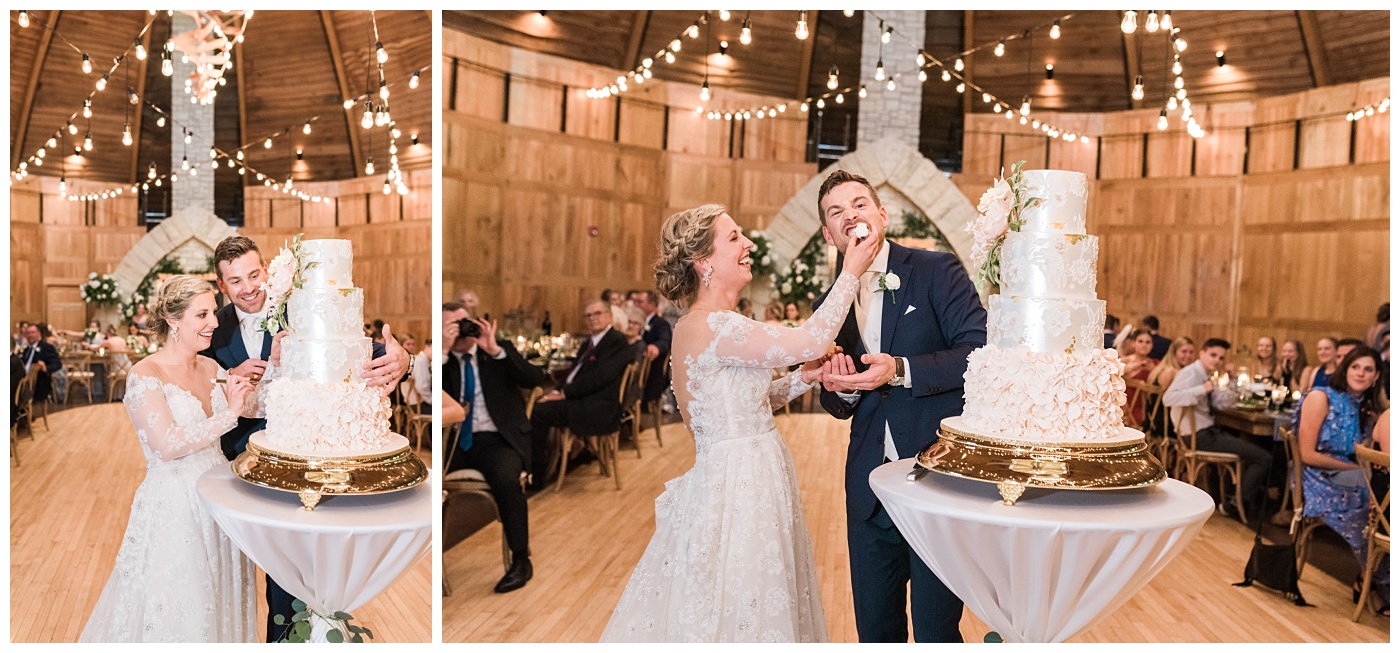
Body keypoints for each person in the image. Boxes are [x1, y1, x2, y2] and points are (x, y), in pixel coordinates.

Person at [601, 202, 879, 642]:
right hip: (739, 487)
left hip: (751, 471)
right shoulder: (713, 326)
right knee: (743, 599)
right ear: (704, 262)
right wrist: (850, 272)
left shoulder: (711, 326)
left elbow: (750, 404)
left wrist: (803, 379)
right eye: (734, 238)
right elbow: (811, 338)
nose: (749, 244)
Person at [808, 170, 986, 642]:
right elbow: (836, 398)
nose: (850, 215)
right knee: (875, 632)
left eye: (859, 204)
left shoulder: (936, 270)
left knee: (934, 631)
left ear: (881, 215)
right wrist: (843, 387)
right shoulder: (831, 300)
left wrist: (901, 368)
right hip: (868, 493)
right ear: (829, 234)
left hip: (936, 482)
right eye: (836, 212)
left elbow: (979, 350)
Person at [200, 235, 407, 640]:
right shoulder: (211, 326)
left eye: (255, 274)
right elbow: (191, 383)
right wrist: (229, 380)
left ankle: (287, 639)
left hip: (301, 461)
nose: (249, 287)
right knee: (229, 572)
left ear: (267, 270)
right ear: (222, 286)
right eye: (236, 281)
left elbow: (359, 347)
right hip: (232, 461)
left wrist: (407, 359)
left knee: (289, 565)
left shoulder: (298, 303)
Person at [79, 276, 258, 642]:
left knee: (219, 596)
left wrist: (266, 375)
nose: (214, 322)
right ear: (174, 321)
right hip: (175, 506)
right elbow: (167, 444)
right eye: (202, 314)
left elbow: (249, 404)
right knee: (181, 605)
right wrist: (230, 414)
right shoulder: (145, 374)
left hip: (220, 501)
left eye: (213, 312)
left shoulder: (210, 368)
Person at [441, 302, 545, 593]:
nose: (462, 331)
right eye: (452, 326)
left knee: (505, 480)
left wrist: (495, 350)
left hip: (497, 439)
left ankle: (521, 559)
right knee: (423, 482)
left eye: (465, 323)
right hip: (452, 442)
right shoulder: (441, 361)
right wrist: (444, 351)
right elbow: (426, 396)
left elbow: (535, 378)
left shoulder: (498, 350)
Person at [1296, 345, 1388, 614]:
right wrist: (1355, 468)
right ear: (1345, 368)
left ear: (1375, 376)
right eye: (1355, 366)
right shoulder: (1320, 397)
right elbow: (1307, 454)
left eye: (1368, 369)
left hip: (1351, 477)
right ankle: (1373, 583)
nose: (1360, 373)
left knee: (1382, 503)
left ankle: (1374, 578)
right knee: (1370, 511)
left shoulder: (1368, 408)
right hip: (1317, 479)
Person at [1162, 338, 1272, 520]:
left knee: (1250, 449)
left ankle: (1234, 498)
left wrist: (1233, 380)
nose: (1217, 361)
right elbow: (1169, 398)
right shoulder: (1191, 373)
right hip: (1198, 436)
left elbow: (1223, 403)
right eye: (1213, 355)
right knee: (1264, 457)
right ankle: (1237, 504)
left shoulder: (1205, 374)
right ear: (1202, 353)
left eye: (1221, 358)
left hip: (1205, 432)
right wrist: (1201, 389)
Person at [530, 299, 632, 483]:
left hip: (599, 407)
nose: (592, 318)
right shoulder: (589, 343)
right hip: (585, 400)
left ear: (609, 316)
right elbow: (574, 374)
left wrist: (564, 394)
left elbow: (601, 377)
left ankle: (538, 473)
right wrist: (557, 391)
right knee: (538, 402)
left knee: (538, 413)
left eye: (597, 313)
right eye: (588, 315)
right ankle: (552, 460)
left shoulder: (615, 340)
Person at [629, 290, 673, 406]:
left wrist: (656, 346)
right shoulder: (632, 321)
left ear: (652, 305)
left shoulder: (660, 323)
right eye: (635, 302)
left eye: (640, 302)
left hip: (649, 377)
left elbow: (665, 341)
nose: (636, 305)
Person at [1120, 329, 1160, 426]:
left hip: (1148, 407)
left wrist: (1154, 371)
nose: (1144, 345)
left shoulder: (1155, 364)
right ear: (1133, 343)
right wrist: (1130, 370)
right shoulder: (1124, 361)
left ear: (1152, 345)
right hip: (1126, 405)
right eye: (1140, 341)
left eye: (1148, 342)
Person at [18, 323, 62, 404]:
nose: (30, 335)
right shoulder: (26, 350)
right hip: (23, 381)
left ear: (39, 334)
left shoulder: (46, 347)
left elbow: (57, 364)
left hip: (38, 384)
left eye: (32, 332)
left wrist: (45, 368)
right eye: (28, 333)